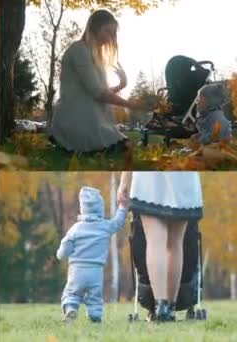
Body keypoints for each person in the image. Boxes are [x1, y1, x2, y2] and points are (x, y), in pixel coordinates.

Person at [50, 9, 152, 153]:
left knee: (126, 146)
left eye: (113, 33)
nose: (110, 37)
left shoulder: (93, 55)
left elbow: (96, 93)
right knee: (124, 147)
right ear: (94, 28)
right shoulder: (79, 50)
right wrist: (133, 105)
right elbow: (98, 93)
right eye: (107, 31)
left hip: (90, 120)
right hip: (76, 120)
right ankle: (66, 141)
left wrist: (120, 86)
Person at [117, 172, 203, 321]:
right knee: (176, 243)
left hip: (149, 178)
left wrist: (124, 180)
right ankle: (170, 308)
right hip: (183, 174)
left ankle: (160, 307)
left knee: (155, 241)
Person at [56, 186, 127, 323]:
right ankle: (95, 316)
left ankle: (71, 308)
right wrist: (122, 207)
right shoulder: (105, 226)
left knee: (72, 293)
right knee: (95, 296)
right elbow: (118, 223)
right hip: (96, 271)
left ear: (83, 208)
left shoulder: (75, 229)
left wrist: (60, 254)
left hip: (77, 270)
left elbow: (64, 249)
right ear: (100, 208)